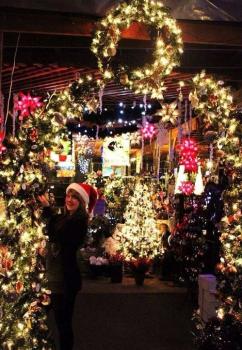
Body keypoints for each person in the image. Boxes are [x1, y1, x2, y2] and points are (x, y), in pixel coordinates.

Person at [38, 183, 97, 350]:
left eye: (74, 197)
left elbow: (59, 234)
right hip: (59, 276)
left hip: (65, 280)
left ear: (81, 202)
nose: (69, 200)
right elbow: (54, 226)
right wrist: (47, 208)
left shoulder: (79, 221)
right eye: (68, 196)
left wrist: (49, 213)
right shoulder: (67, 217)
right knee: (59, 320)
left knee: (63, 323)